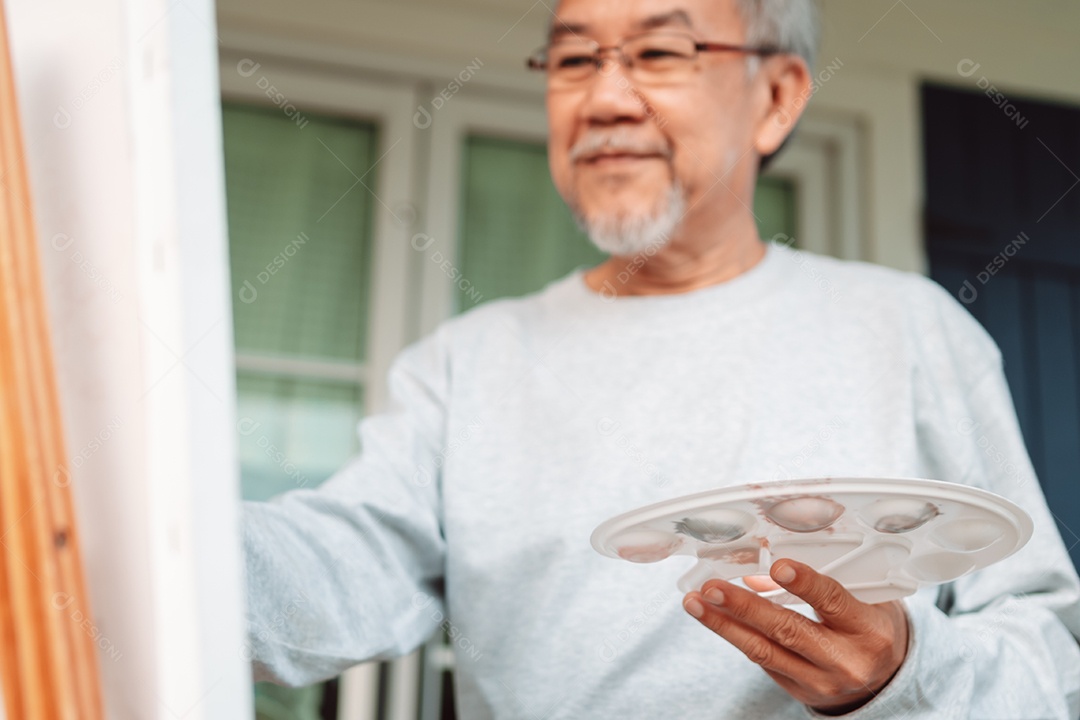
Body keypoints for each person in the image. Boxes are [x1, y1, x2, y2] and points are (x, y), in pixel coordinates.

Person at [242, 0, 1080, 716]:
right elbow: (335, 574)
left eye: (658, 51)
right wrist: (140, 540)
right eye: (573, 58)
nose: (604, 97)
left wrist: (904, 673)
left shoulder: (909, 330)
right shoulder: (464, 365)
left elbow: (1051, 665)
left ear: (778, 97)